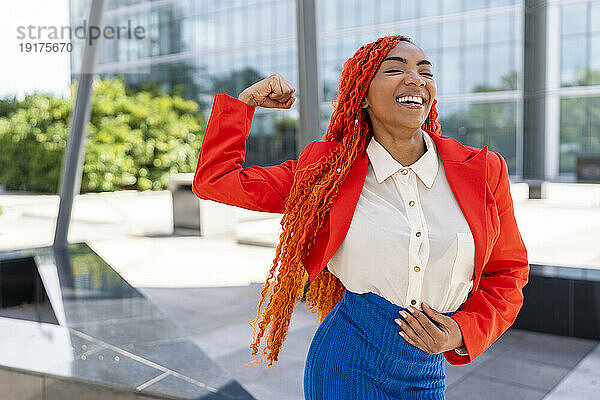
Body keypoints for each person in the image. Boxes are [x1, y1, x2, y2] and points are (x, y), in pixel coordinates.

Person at [192, 34, 529, 399]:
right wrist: (245, 105)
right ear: (362, 95)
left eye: (424, 71)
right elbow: (216, 181)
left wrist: (462, 331)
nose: (415, 79)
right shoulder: (327, 173)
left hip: (426, 372)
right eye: (394, 70)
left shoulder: (483, 170)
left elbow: (508, 271)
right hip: (348, 362)